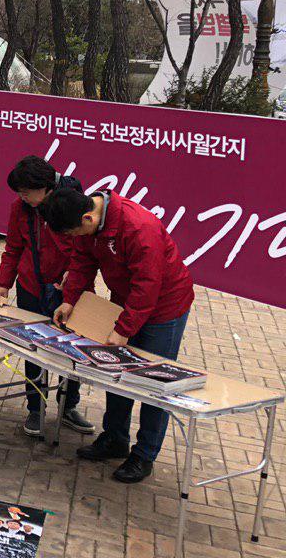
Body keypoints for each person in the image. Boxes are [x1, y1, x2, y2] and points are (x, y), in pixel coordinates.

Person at [40, 187, 196, 484]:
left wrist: (124, 330)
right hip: (127, 301)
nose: (75, 238)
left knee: (154, 382)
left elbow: (147, 285)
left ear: (87, 218)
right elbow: (82, 263)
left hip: (164, 307)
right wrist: (70, 300)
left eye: (74, 233)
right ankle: (114, 438)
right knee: (117, 372)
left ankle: (144, 454)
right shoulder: (86, 222)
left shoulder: (138, 227)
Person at [0, 157, 93, 438]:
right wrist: (2, 284)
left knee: (73, 349)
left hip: (69, 290)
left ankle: (68, 405)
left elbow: (86, 249)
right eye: (19, 192)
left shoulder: (72, 205)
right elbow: (13, 248)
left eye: (26, 192)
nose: (22, 197)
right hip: (31, 286)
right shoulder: (20, 208)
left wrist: (73, 276)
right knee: (33, 348)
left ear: (46, 188)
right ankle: (35, 407)